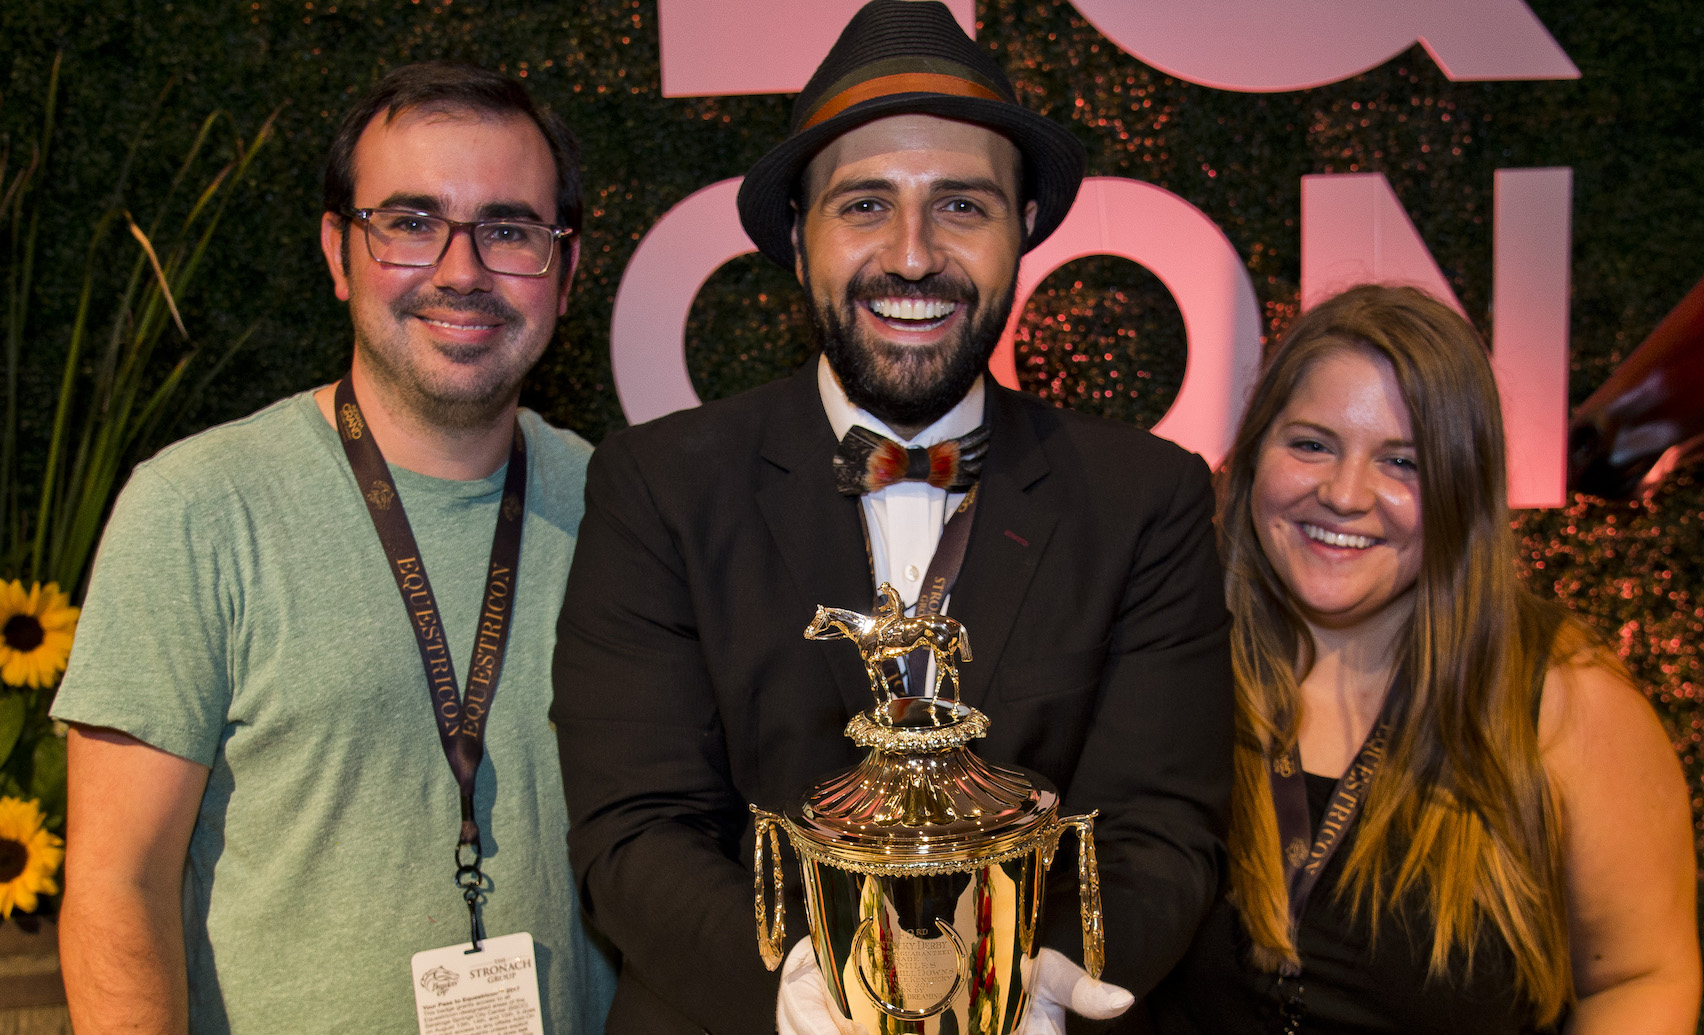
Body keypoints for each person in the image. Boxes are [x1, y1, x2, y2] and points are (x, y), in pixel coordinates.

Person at [549, 2, 1234, 1032]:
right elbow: (635, 829)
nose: (912, 256)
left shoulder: (1146, 498)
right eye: (864, 205)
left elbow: (1163, 830)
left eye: (962, 206)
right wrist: (804, 990)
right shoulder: (659, 484)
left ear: (1026, 230)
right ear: (798, 234)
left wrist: (1028, 984)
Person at [54, 62, 616, 1034]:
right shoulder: (195, 509)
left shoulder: (619, 506)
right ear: (337, 251)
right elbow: (116, 888)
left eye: (509, 229)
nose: (461, 270)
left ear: (564, 272)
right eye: (408, 222)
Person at [1147, 284, 1702, 1033]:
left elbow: (1642, 976)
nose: (1344, 494)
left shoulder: (1564, 697)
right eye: (1311, 443)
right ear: (1251, 456)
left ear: (1462, 487)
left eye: (1402, 461)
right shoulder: (1167, 652)